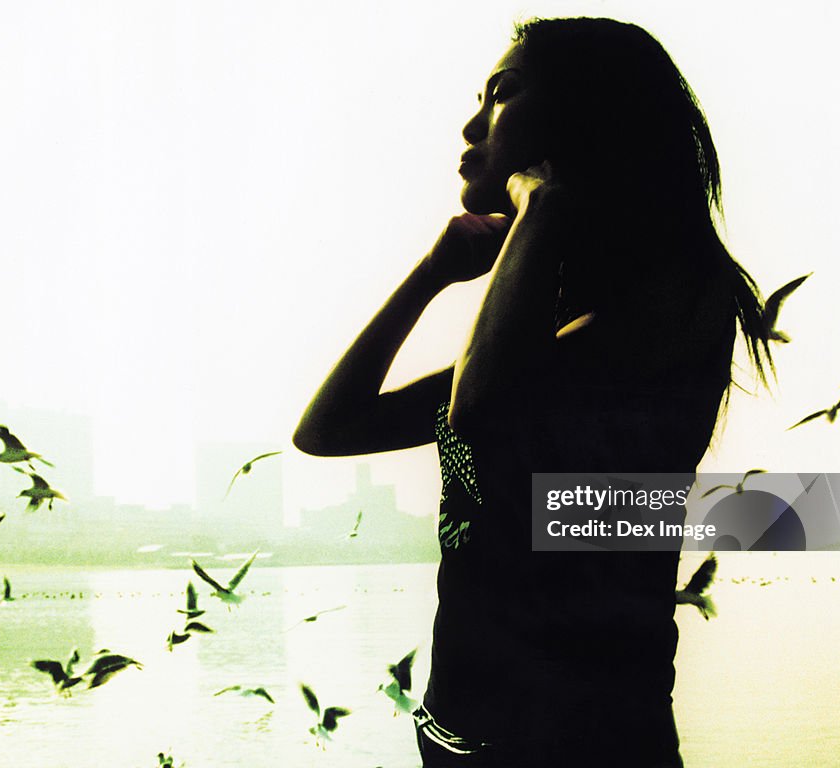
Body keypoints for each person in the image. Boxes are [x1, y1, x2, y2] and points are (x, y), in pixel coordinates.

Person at [293, 16, 771, 767]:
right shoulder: (544, 341)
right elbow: (327, 430)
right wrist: (430, 274)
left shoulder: (682, 298)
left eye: (502, 95)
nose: (471, 123)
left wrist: (542, 207)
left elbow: (486, 416)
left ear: (587, 114)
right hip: (461, 745)